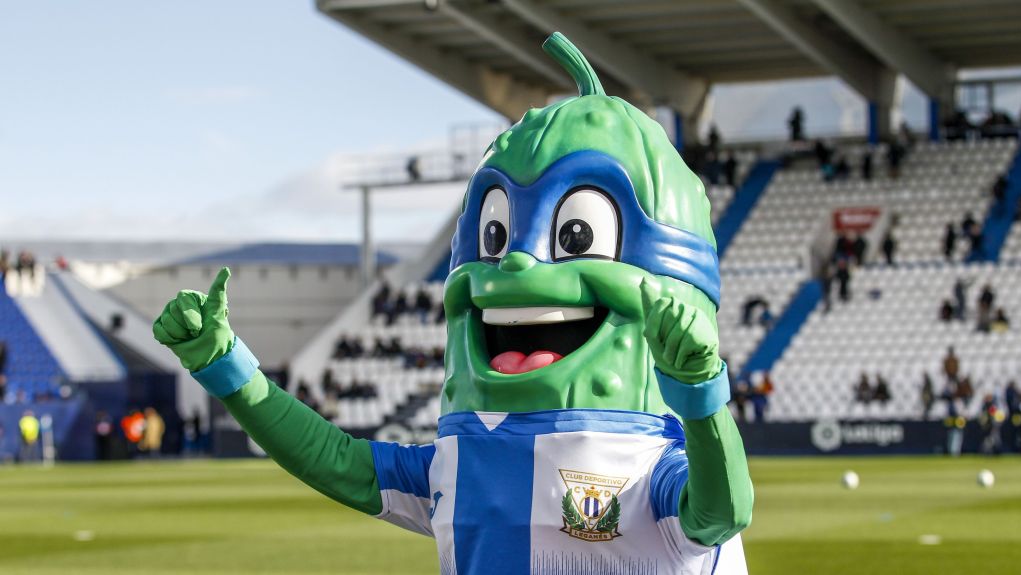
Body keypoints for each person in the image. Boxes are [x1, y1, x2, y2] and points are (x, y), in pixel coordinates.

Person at [150, 34, 753, 574]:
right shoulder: (458, 462)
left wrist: (699, 395)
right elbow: (337, 461)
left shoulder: (650, 459)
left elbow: (720, 514)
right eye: (495, 237)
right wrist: (226, 367)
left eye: (573, 239)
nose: (516, 262)